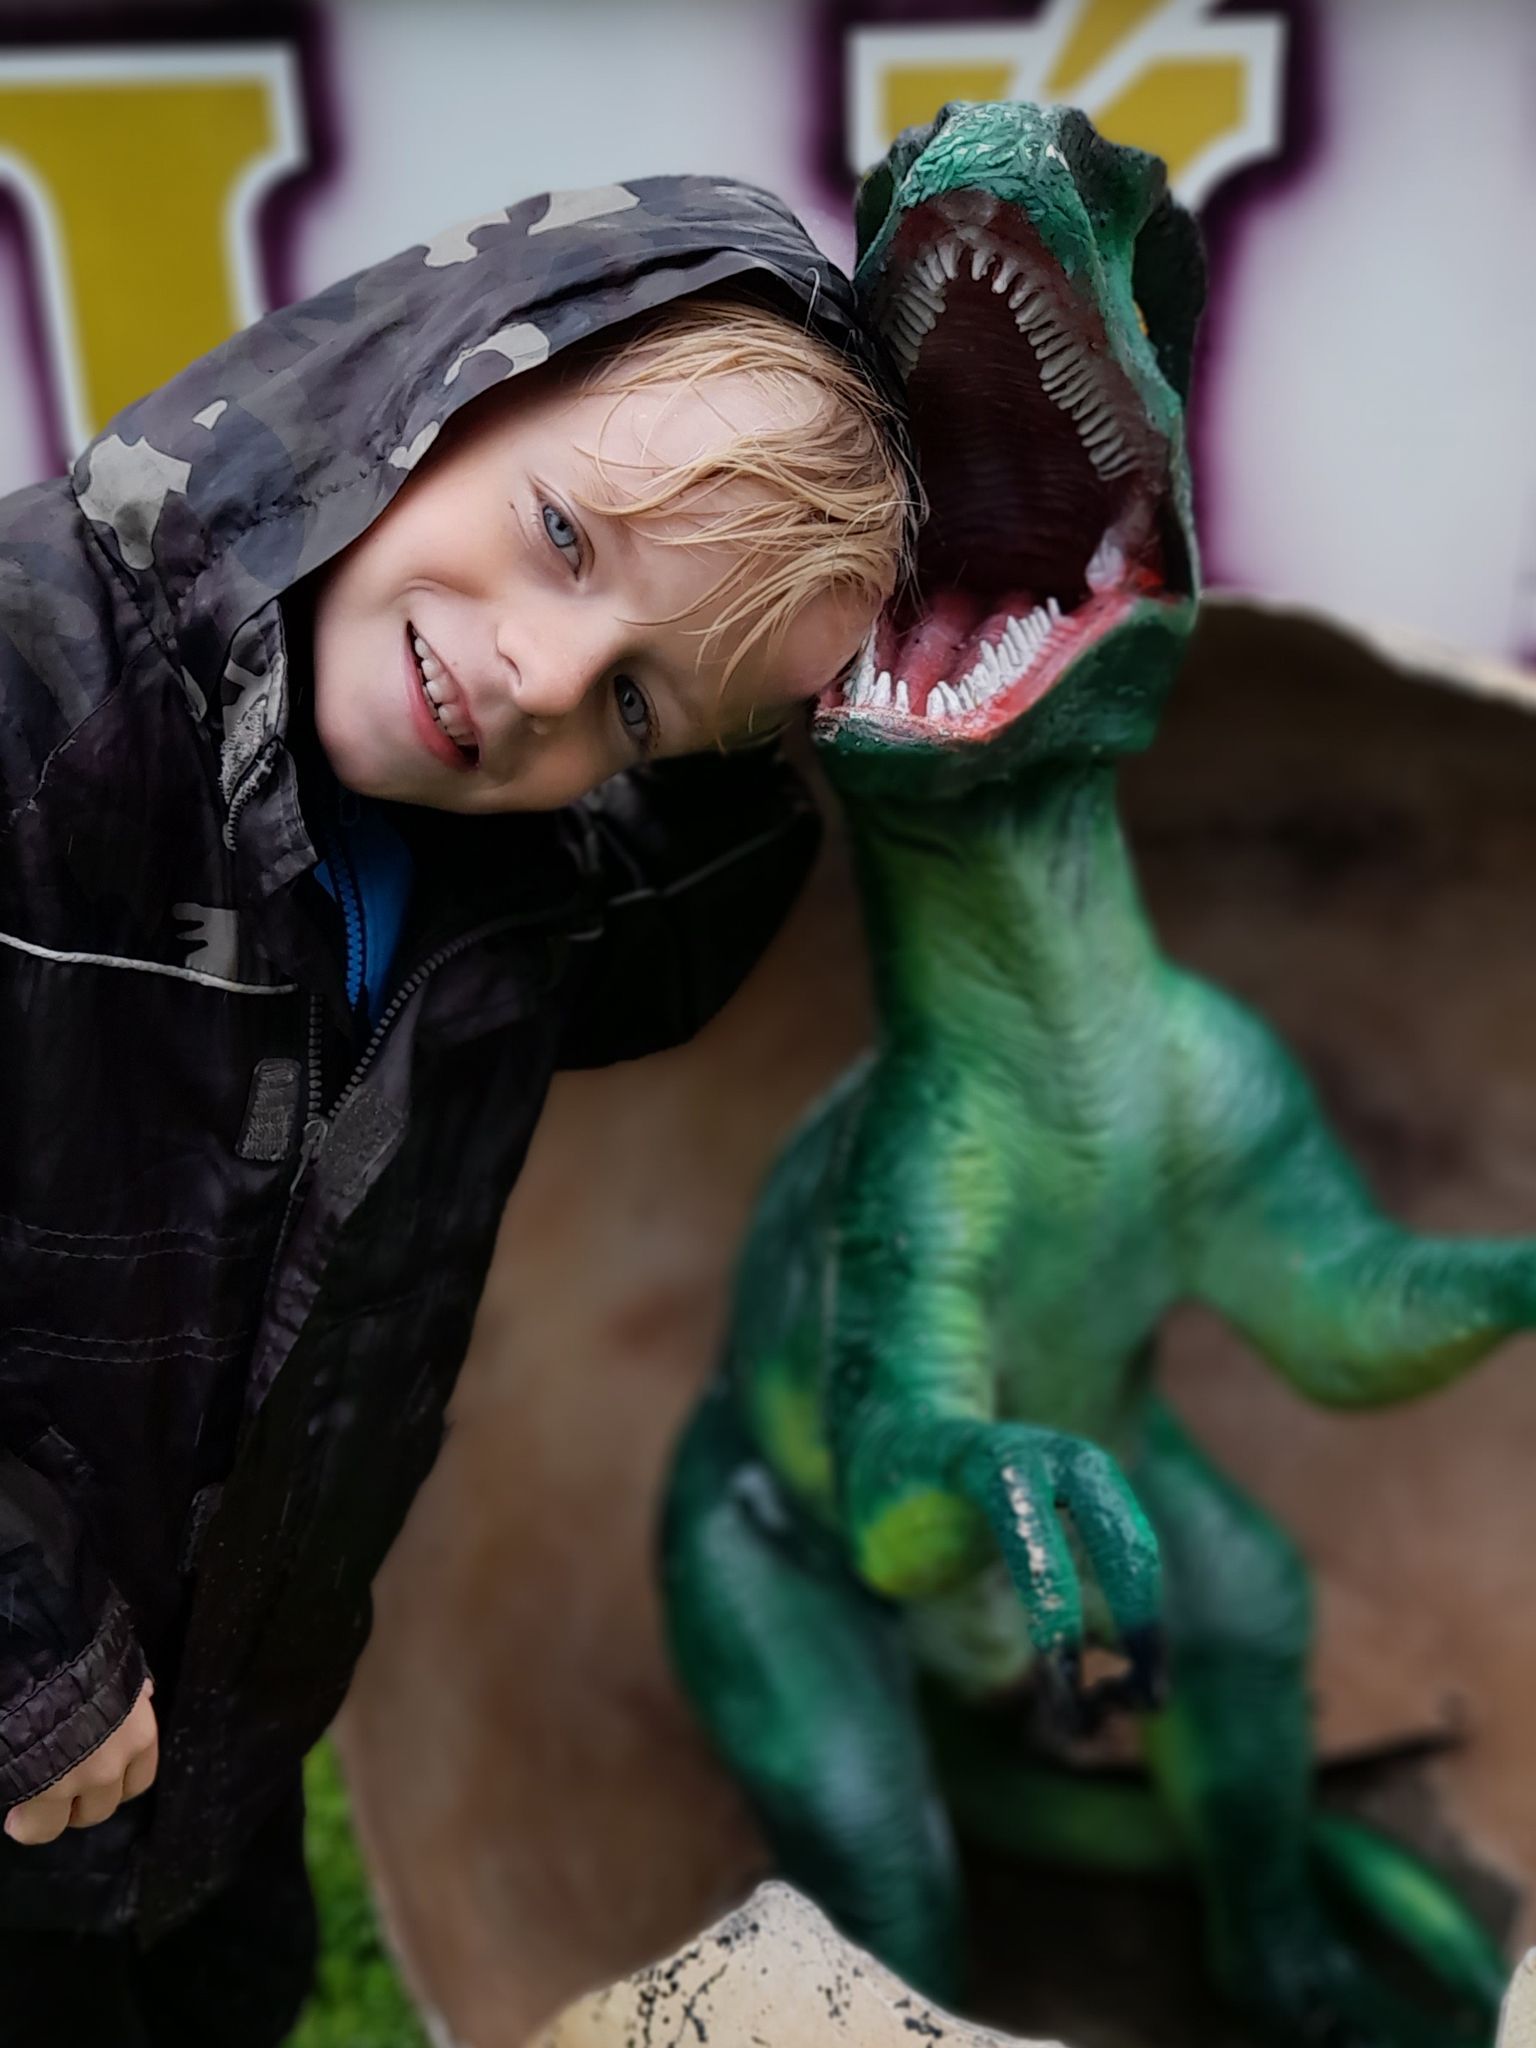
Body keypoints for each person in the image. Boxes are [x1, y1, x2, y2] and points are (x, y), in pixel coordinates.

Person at [0, 174, 913, 2043]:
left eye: (640, 708)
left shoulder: (503, 884)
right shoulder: (36, 701)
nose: (543, 682)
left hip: (199, 1768)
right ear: (444, 383)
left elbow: (687, 908)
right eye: (563, 535)